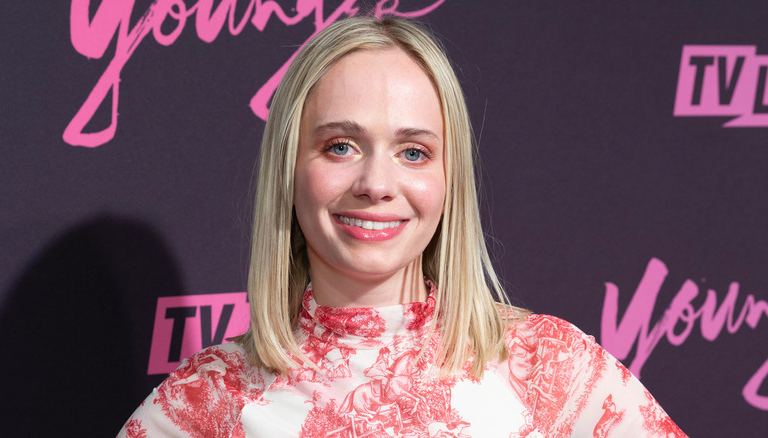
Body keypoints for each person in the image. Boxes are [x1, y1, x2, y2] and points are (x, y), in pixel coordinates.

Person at [119, 16, 687, 437]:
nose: (376, 183)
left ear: (449, 180)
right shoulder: (209, 400)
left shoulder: (548, 367)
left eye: (413, 152)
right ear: (289, 169)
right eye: (340, 146)